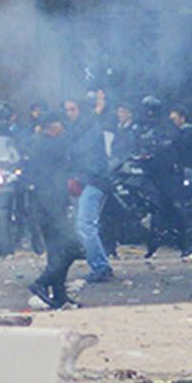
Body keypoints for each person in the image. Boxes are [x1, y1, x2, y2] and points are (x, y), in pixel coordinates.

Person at [24, 117, 81, 309]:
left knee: (56, 252)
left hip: (48, 205)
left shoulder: (41, 143)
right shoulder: (46, 145)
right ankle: (41, 282)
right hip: (50, 206)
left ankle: (59, 295)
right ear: (52, 127)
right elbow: (69, 141)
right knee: (73, 246)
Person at [70, 94, 114, 282]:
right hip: (89, 181)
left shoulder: (89, 129)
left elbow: (81, 151)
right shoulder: (84, 128)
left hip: (95, 181)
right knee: (83, 225)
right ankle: (99, 264)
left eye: (72, 109)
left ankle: (100, 267)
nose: (69, 114)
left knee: (85, 225)